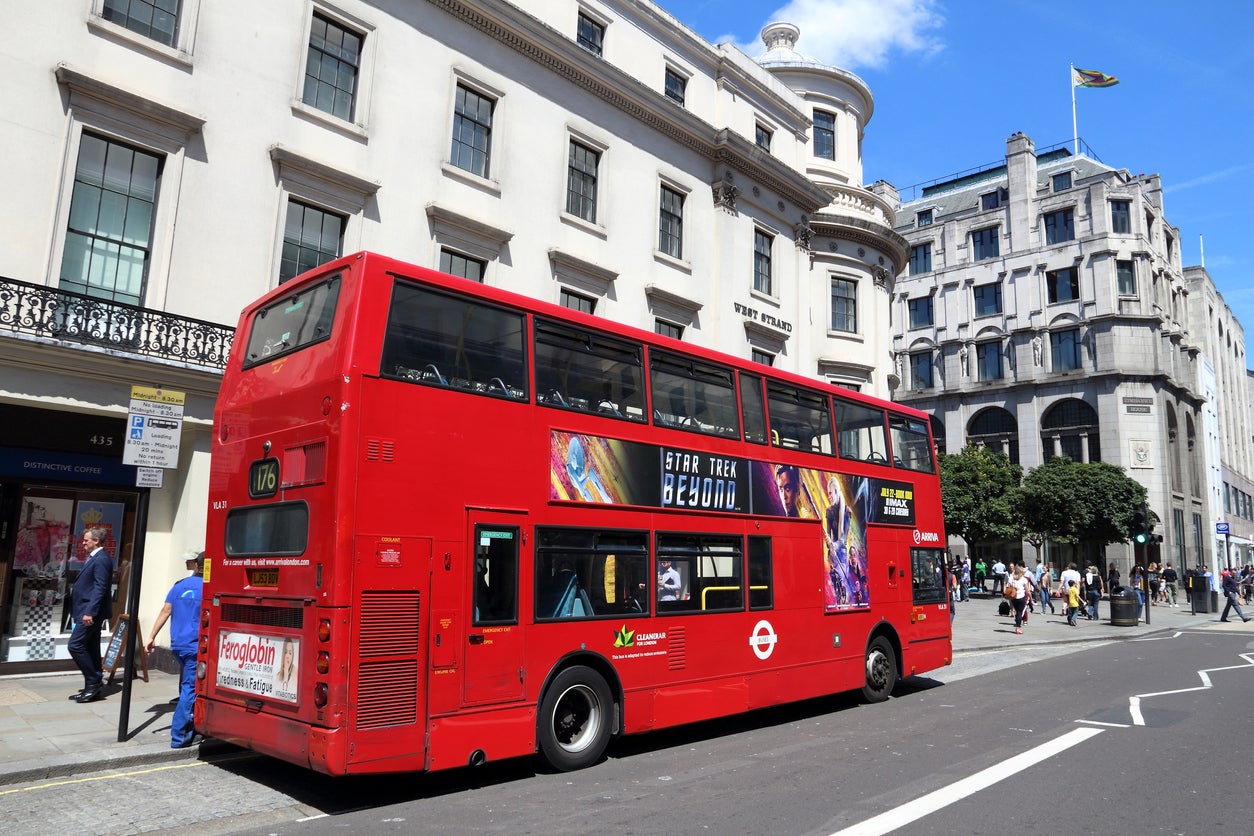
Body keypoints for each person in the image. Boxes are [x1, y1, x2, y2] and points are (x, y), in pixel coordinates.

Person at [146, 550, 205, 748]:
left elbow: (166, 610)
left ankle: (194, 724)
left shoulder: (179, 585)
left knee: (187, 686)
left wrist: (151, 636)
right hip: (196, 647)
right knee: (190, 689)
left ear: (196, 565)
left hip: (178, 645)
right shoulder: (208, 588)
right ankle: (179, 736)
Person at [68, 526, 114, 703]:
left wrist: (90, 612)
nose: (84, 542)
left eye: (87, 539)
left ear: (96, 541)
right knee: (91, 647)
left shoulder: (102, 559)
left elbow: (100, 587)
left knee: (75, 645)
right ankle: (92, 686)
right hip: (86, 610)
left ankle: (94, 681)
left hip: (90, 612)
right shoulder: (94, 558)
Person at [1005, 564, 1031, 634]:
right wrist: (1031, 598)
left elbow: (1008, 586)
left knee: (1017, 611)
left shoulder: (1011, 578)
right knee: (1019, 612)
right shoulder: (1024, 579)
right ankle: (1018, 628)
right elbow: (1027, 590)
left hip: (1013, 597)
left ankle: (1017, 621)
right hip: (1021, 597)